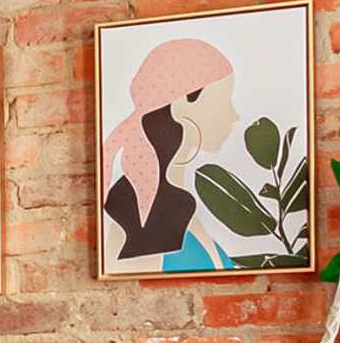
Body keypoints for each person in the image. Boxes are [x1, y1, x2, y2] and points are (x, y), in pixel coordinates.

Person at [100, 35, 240, 272]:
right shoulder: (141, 207)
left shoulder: (177, 203)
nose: (234, 115)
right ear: (183, 102)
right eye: (223, 101)